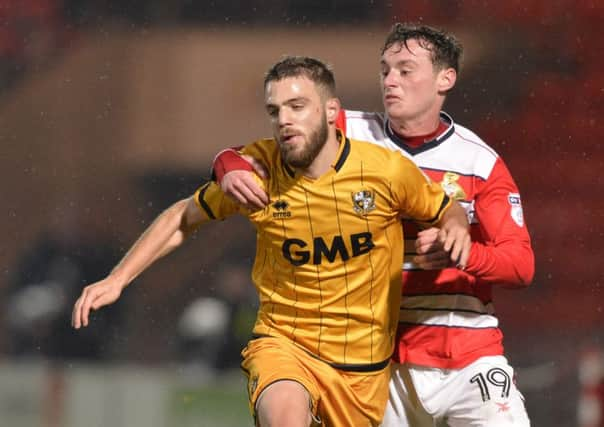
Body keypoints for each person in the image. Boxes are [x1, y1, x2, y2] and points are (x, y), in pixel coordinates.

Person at [71, 55, 471, 427]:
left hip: (362, 370)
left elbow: (445, 208)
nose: (284, 120)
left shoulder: (386, 171)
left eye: (297, 106)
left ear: (332, 112)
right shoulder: (258, 172)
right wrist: (117, 279)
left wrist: (456, 227)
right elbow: (182, 216)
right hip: (284, 346)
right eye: (274, 110)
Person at [211, 24, 535, 426]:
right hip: (377, 364)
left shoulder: (479, 163)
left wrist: (462, 252)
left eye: (405, 70)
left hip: (467, 358)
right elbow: (250, 156)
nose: (390, 81)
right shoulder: (347, 130)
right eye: (385, 70)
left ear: (445, 79)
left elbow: (520, 264)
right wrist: (226, 164)